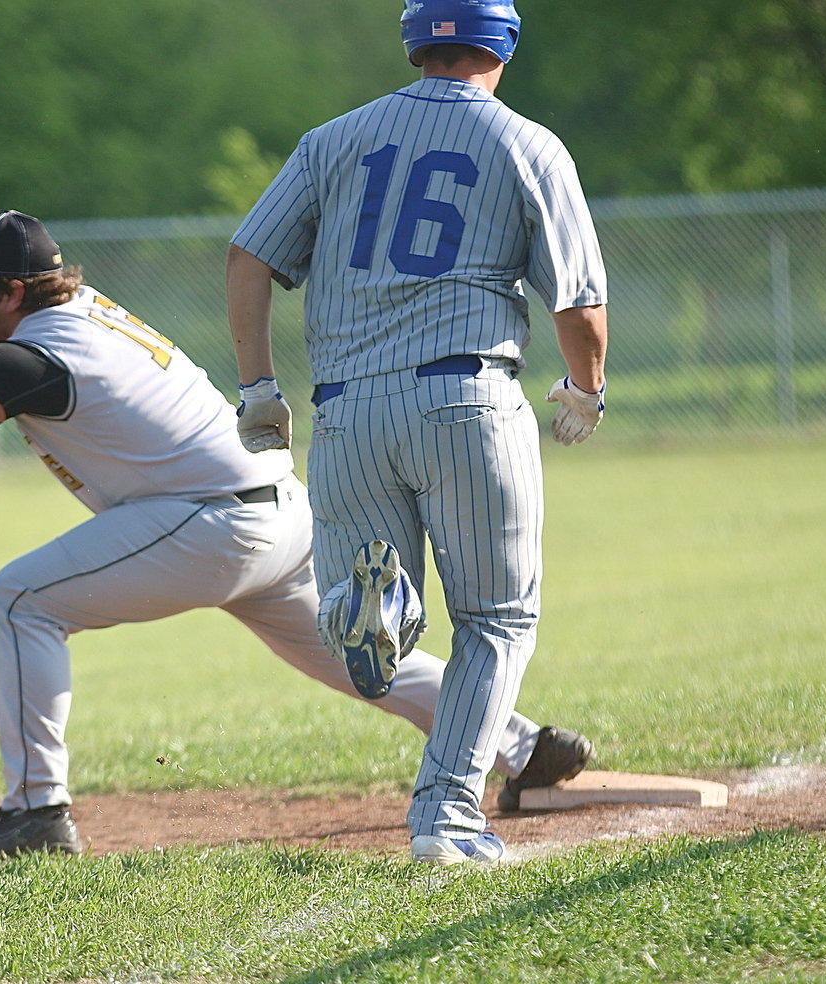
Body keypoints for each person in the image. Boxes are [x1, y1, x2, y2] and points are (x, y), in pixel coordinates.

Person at [0, 209, 591, 860]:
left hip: (213, 523)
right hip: (274, 513)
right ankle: (521, 747)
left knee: (20, 599)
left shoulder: (39, 350)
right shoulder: (73, 321)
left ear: (10, 293)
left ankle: (36, 813)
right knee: (361, 663)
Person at [225, 0, 608, 865]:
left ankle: (370, 615)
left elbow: (249, 257)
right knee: (497, 621)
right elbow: (578, 305)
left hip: (348, 410)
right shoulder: (527, 143)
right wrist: (587, 389)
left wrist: (257, 388)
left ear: (414, 42)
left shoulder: (333, 140)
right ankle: (446, 818)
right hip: (467, 400)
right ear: (502, 44)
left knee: (375, 615)